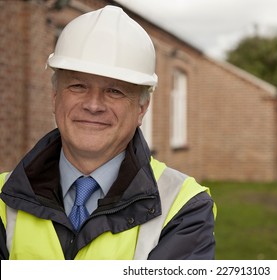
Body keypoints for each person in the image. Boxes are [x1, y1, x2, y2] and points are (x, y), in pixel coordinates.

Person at [0, 5, 216, 260]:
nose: (93, 105)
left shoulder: (184, 206)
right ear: (55, 96)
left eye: (115, 91)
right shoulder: (3, 199)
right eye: (78, 86)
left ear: (141, 108)